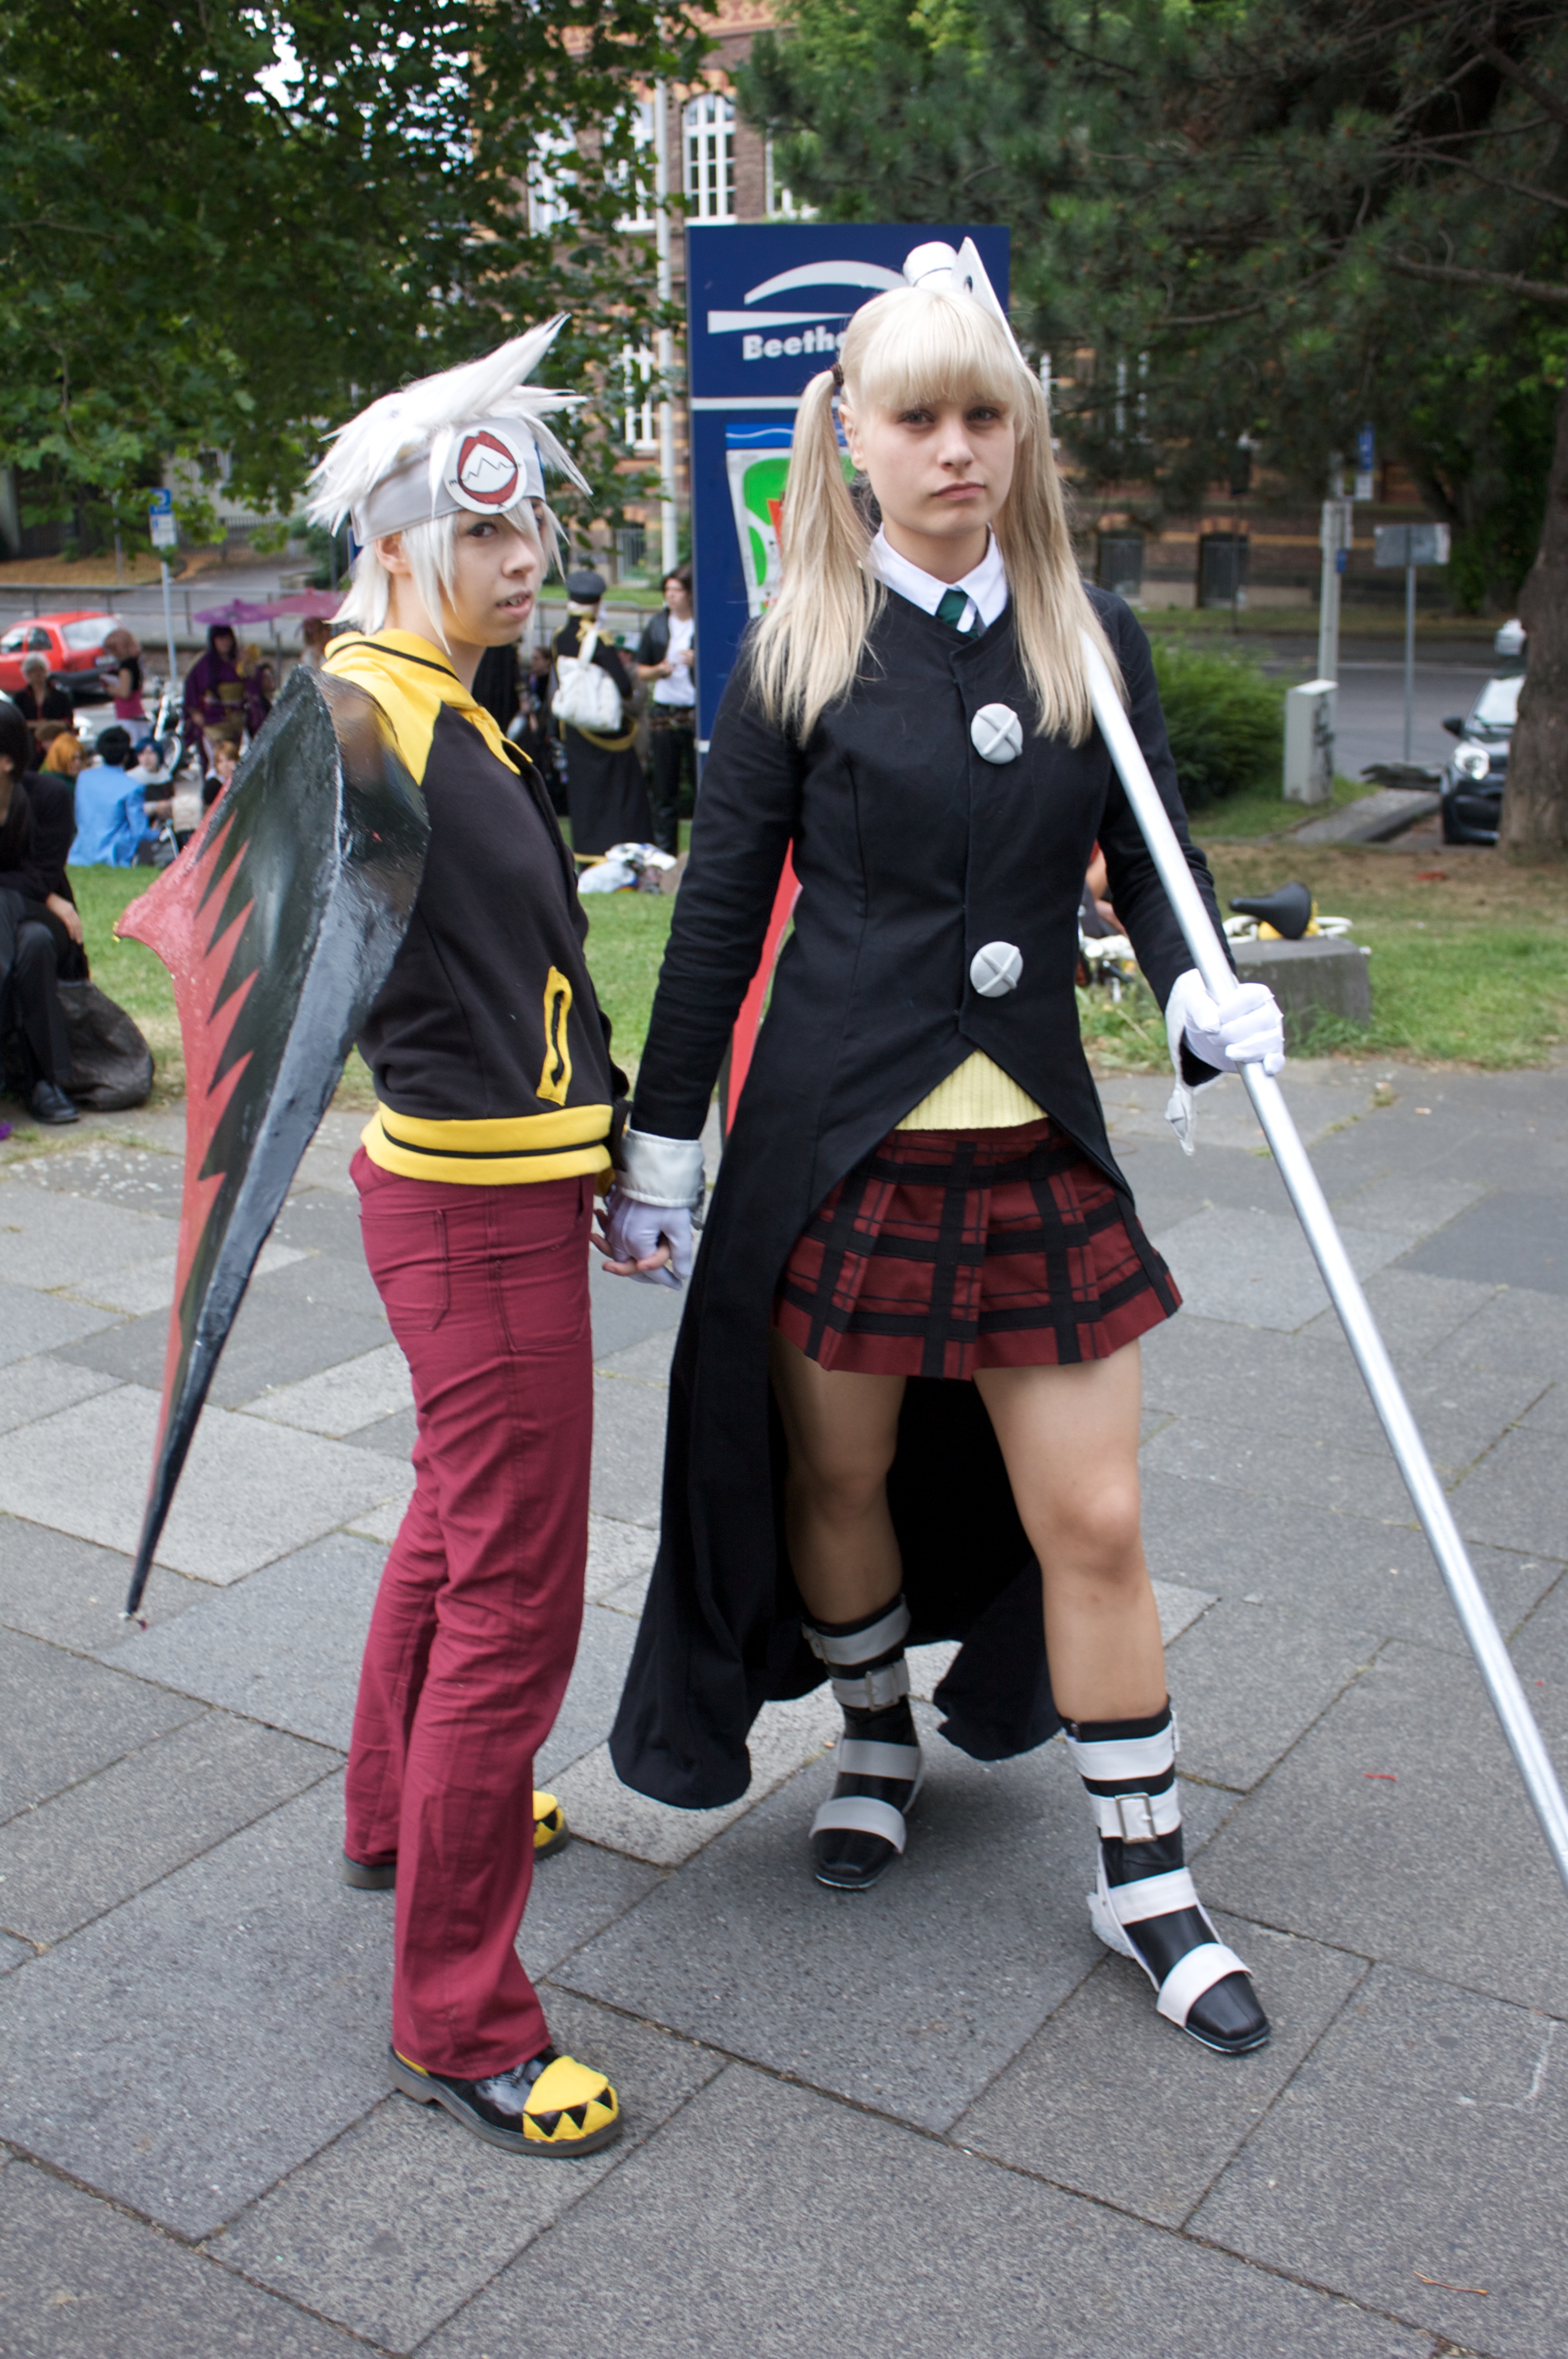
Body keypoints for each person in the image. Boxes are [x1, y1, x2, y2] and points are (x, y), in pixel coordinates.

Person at [601, 258, 1288, 2059]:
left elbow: (1150, 864)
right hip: (842, 1145)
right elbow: (719, 919)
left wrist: (1211, 994)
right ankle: (877, 1738)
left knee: (1102, 1512)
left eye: (987, 415)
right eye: (918, 417)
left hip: (1036, 1145)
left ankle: (1145, 1879)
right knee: (836, 1486)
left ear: (1022, 432)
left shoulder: (1089, 633)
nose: (958, 449)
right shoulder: (798, 650)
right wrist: (663, 1144)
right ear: (853, 437)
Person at [305, 323, 626, 2160]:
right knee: (517, 1590)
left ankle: (398, 1811)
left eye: (532, 533)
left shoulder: (438, 702)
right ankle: (459, 2015)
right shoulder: (369, 717)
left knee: (454, 1520)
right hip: (469, 1213)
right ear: (409, 537)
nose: (527, 561)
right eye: (489, 529)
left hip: (494, 1189)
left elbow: (523, 969)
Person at [0, 701, 77, 1123]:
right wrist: (40, 890)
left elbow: (43, 875)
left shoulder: (48, 797)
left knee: (32, 929)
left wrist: (45, 894)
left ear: (8, 759)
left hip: (47, 915)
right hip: (28, 929)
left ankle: (46, 1081)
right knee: (32, 945)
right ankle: (45, 1080)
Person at [551, 568, 654, 855]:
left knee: (585, 794)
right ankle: (621, 847)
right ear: (597, 603)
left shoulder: (560, 637)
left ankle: (587, 850)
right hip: (607, 729)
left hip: (574, 726)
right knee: (623, 793)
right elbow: (623, 686)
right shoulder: (600, 639)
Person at [636, 564, 697, 856]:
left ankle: (700, 854)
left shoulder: (702, 624)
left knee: (701, 786)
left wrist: (698, 660)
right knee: (664, 789)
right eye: (667, 591)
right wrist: (659, 670)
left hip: (694, 711)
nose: (670, 596)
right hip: (664, 711)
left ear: (689, 593)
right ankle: (665, 853)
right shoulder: (658, 625)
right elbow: (640, 669)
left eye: (677, 590)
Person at [67, 725, 158, 865]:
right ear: (127, 755)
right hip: (113, 854)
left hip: (82, 851)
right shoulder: (133, 787)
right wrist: (160, 833)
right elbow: (140, 832)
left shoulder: (83, 778)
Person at [182, 622, 264, 755]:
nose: (224, 643)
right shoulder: (204, 664)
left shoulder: (240, 661)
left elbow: (254, 688)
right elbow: (191, 688)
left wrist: (247, 665)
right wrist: (195, 713)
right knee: (219, 760)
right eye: (220, 639)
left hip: (236, 721)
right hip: (213, 721)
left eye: (227, 639)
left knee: (233, 759)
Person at [13, 654, 73, 760]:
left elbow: (68, 722)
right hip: (30, 747)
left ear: (46, 671)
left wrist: (50, 725)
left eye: (40, 670)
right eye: (33, 671)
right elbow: (16, 723)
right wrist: (37, 724)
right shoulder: (20, 698)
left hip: (56, 744)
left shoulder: (60, 696)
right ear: (27, 674)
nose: (38, 674)